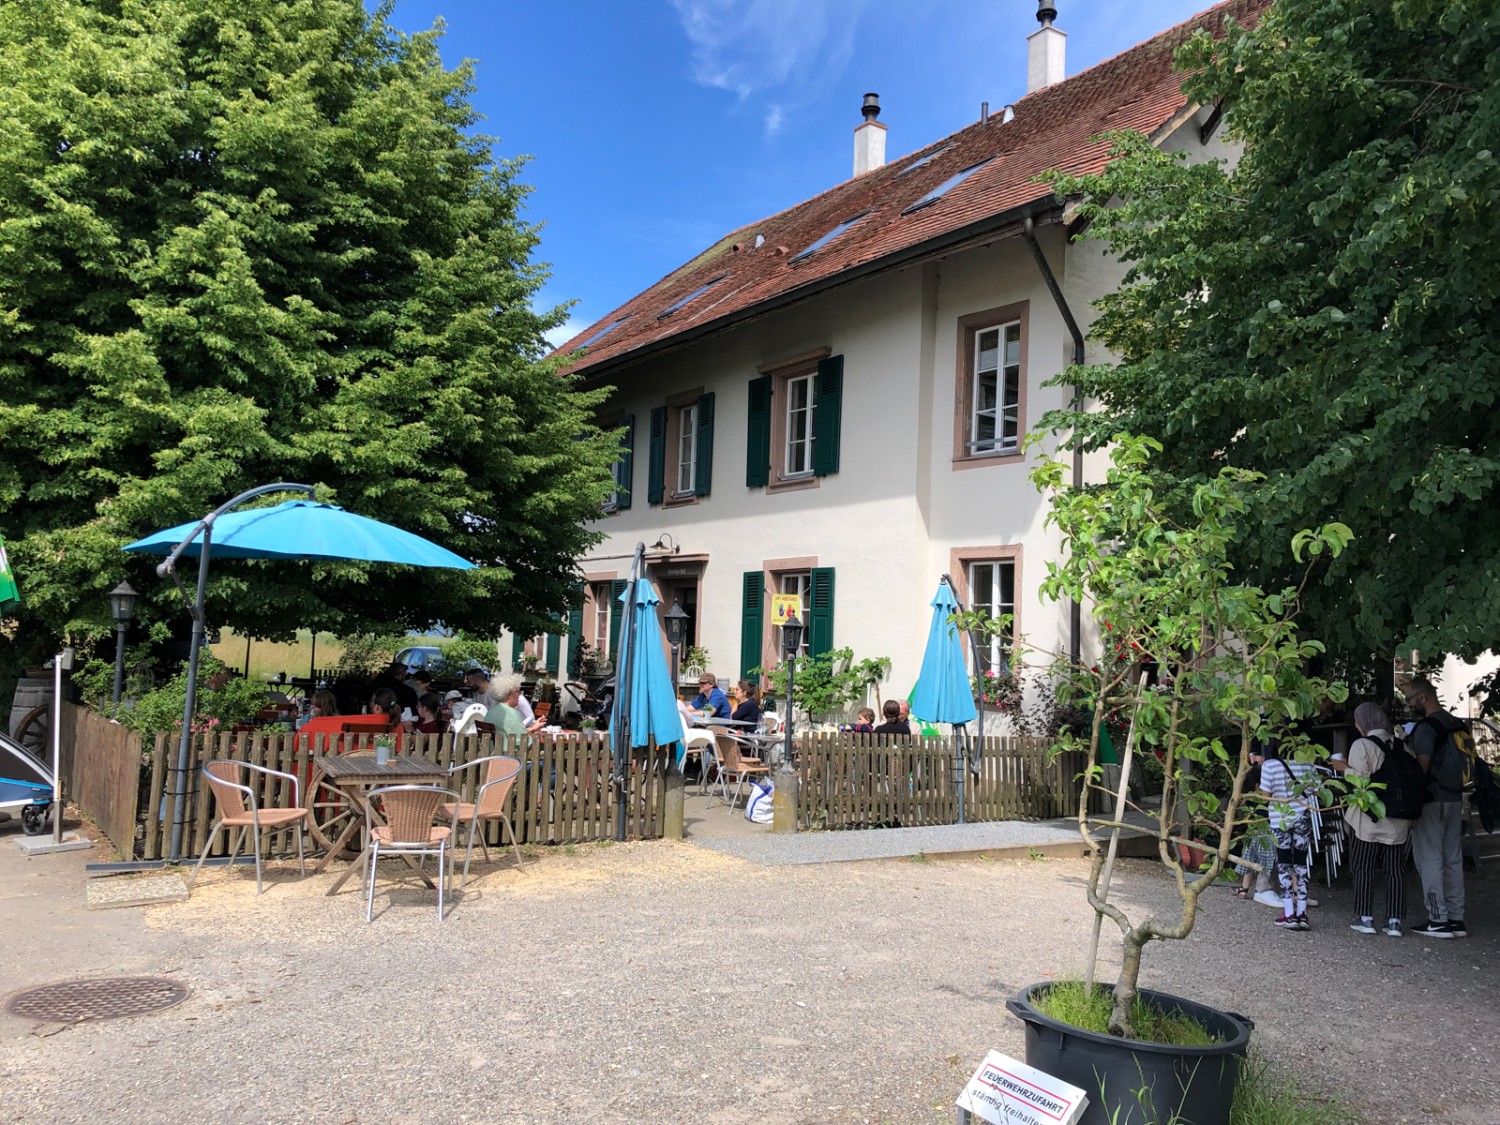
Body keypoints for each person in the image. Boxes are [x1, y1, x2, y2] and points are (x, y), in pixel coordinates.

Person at [1328, 702, 1412, 936]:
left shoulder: (1362, 745)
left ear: (1363, 722)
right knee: (1395, 871)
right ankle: (1395, 922)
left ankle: (1365, 918)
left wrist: (1343, 768)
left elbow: (1360, 782)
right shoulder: (1402, 746)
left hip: (1369, 818)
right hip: (1398, 819)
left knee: (1363, 867)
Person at [1403, 676, 1466, 938]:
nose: (1407, 703)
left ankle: (1437, 918)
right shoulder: (1457, 723)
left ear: (1422, 697)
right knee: (1453, 858)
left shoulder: (1426, 729)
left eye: (1409, 698)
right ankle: (1456, 917)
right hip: (1455, 797)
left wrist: (1411, 801)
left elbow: (1421, 768)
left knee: (1429, 857)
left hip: (1432, 798)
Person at [1260, 740, 1317, 930]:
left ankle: (1289, 913)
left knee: (1284, 864)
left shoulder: (1270, 765)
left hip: (1280, 819)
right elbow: (1315, 790)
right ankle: (1302, 912)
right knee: (1301, 864)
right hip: (1302, 816)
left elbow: (1266, 795)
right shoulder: (1308, 764)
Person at [483, 673, 529, 738]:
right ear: (509, 695)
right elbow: (524, 740)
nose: (520, 693)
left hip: (492, 747)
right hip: (507, 748)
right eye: (517, 691)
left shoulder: (490, 711)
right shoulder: (510, 713)